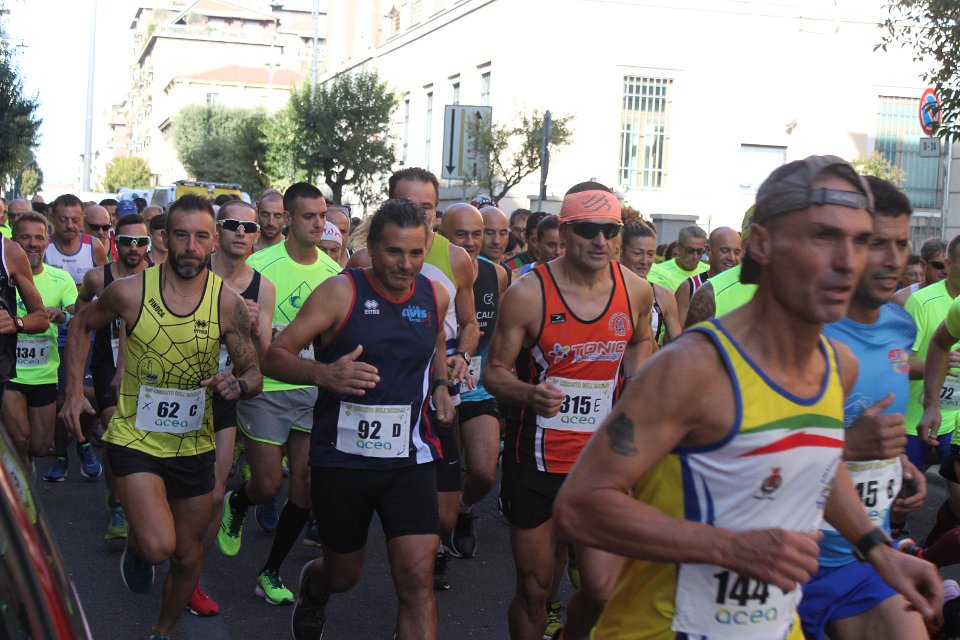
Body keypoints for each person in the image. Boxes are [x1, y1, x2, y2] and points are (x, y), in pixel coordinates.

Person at [552, 155, 941, 640]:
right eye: (823, 237)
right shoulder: (694, 368)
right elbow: (580, 505)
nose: (847, 261)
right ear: (762, 244)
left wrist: (878, 549)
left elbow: (817, 461)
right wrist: (728, 548)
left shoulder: (838, 365)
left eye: (860, 241)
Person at [59, 193, 262, 640]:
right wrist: (73, 392)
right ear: (164, 239)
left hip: (194, 444)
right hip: (135, 437)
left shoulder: (227, 303)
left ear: (214, 242)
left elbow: (253, 371)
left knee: (187, 556)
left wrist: (240, 384)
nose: (191, 247)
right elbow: (80, 325)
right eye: (181, 236)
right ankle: (138, 546)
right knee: (158, 546)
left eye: (201, 237)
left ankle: (162, 630)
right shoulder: (129, 292)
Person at [264, 198, 454, 640]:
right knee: (344, 572)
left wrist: (442, 385)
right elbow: (274, 356)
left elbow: (435, 347)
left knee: (417, 578)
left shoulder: (435, 295)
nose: (405, 264)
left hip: (410, 457)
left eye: (416, 253)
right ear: (372, 247)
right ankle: (316, 588)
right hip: (343, 460)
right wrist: (324, 373)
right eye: (394, 252)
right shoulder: (340, 292)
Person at [484, 182, 652, 640]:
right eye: (586, 229)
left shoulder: (636, 291)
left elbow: (640, 342)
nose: (599, 240)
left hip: (602, 463)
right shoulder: (528, 293)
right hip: (536, 461)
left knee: (603, 589)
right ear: (563, 231)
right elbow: (494, 373)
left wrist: (638, 385)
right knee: (535, 590)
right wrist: (529, 394)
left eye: (609, 230)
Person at [798, 175, 930, 640]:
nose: (894, 260)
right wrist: (851, 446)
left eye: (901, 244)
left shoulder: (899, 325)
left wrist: (894, 462)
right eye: (876, 244)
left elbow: (865, 423)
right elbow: (747, 454)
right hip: (788, 561)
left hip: (865, 556)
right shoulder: (802, 331)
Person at [347, 168, 479, 591]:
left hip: (437, 390)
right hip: (376, 395)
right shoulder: (363, 260)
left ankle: (426, 546)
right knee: (349, 550)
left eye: (427, 208)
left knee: (445, 515)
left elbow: (469, 323)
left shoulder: (456, 258)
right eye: (408, 205)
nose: (419, 215)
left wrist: (461, 356)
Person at [218, 182, 341, 605]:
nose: (319, 223)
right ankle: (240, 500)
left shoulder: (333, 272)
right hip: (267, 386)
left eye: (322, 216)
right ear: (287, 219)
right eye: (309, 216)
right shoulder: (260, 264)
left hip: (311, 387)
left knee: (304, 487)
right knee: (268, 485)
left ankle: (271, 570)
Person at [198, 200, 275, 616]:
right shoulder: (192, 270)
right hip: (177, 389)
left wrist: (253, 325)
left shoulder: (262, 286)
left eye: (249, 227)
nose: (241, 232)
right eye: (232, 224)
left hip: (225, 392)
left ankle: (190, 578)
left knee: (213, 494)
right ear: (217, 232)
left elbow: (264, 357)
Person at [438, 203, 508, 560]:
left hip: (477, 388)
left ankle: (464, 508)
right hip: (438, 388)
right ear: (443, 235)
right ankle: (435, 546)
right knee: (438, 481)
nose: (470, 242)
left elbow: (501, 330)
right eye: (461, 234)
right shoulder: (431, 271)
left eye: (476, 234)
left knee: (483, 472)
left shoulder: (497, 274)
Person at [76, 213, 151, 540]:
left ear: (148, 245)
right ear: (114, 243)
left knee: (141, 435)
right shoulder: (97, 277)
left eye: (141, 242)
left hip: (146, 364)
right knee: (114, 429)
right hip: (107, 364)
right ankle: (118, 505)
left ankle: (135, 492)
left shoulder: (158, 276)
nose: (134, 248)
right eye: (127, 242)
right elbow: (80, 312)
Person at [43, 193, 109, 483]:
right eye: (63, 220)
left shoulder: (93, 246)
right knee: (61, 399)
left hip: (89, 334)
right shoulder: (45, 248)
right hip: (54, 336)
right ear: (53, 219)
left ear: (82, 220)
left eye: (75, 220)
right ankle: (62, 455)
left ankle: (84, 440)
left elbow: (107, 288)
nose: (69, 225)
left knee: (90, 393)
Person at [2, 212, 76, 466]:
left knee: (40, 446)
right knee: (20, 439)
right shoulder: (5, 277)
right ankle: (17, 484)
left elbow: (80, 316)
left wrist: (64, 316)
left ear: (47, 241)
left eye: (38, 238)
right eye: (25, 237)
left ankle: (22, 470)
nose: (32, 244)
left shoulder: (61, 279)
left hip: (45, 374)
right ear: (13, 240)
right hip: (11, 374)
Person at [901, 235, 960, 473]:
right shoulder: (920, 302)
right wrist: (940, 364)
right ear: (948, 265)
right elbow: (898, 364)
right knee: (906, 489)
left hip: (955, 420)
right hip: (915, 417)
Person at [619, 220, 682, 346]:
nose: (645, 261)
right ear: (621, 252)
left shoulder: (663, 295)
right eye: (637, 253)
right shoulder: (604, 291)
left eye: (650, 254)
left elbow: (678, 345)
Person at [674, 226, 741, 326]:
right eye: (724, 251)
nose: (732, 257)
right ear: (709, 250)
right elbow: (679, 333)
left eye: (737, 252)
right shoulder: (690, 287)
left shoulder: (748, 287)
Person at [647, 224, 709, 292]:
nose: (695, 256)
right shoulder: (660, 272)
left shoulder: (709, 272)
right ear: (678, 248)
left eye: (700, 251)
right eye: (690, 250)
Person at [892, 237, 947, 306]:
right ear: (923, 265)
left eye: (949, 265)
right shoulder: (901, 299)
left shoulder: (957, 298)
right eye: (939, 265)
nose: (945, 271)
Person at [511, 215, 563, 282]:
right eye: (551, 245)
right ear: (538, 242)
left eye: (563, 245)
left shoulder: (574, 278)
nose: (558, 252)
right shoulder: (516, 276)